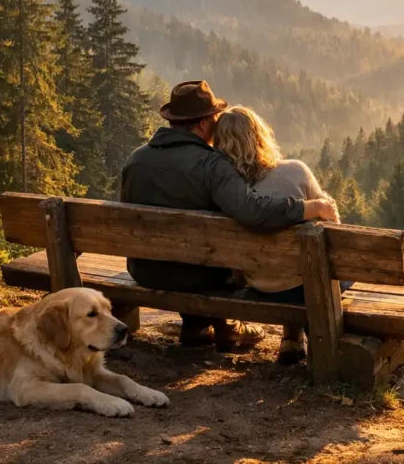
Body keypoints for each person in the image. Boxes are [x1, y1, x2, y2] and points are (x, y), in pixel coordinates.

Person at [120, 80, 339, 353]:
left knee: (196, 251)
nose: (217, 123)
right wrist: (308, 208)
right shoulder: (211, 165)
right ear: (202, 124)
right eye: (214, 117)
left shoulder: (136, 159)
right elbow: (252, 210)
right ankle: (226, 327)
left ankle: (196, 325)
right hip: (196, 276)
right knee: (216, 262)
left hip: (143, 270)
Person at [213, 105, 350, 365]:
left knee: (290, 268)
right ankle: (304, 341)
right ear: (260, 136)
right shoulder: (295, 171)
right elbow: (335, 229)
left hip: (261, 285)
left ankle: (290, 338)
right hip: (305, 287)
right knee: (329, 272)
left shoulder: (226, 191)